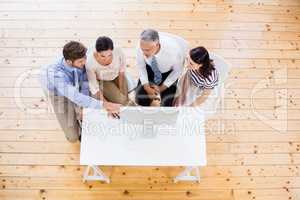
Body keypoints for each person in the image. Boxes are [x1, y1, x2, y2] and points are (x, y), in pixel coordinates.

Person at [40, 41, 121, 143]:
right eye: (80, 61)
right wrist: (104, 105)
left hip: (77, 86)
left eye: (85, 59)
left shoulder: (81, 62)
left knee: (90, 109)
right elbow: (75, 96)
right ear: (69, 62)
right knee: (72, 137)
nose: (84, 63)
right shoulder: (56, 74)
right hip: (59, 94)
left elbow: (85, 83)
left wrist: (83, 109)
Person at [135, 29, 188, 106]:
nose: (144, 53)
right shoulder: (142, 46)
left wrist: (161, 88)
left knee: (168, 104)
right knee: (140, 100)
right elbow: (141, 67)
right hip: (150, 68)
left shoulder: (174, 53)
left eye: (147, 50)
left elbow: (177, 72)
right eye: (142, 49)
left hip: (168, 72)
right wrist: (147, 87)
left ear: (157, 45)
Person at [86, 36, 135, 106]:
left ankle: (128, 104)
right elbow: (94, 87)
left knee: (125, 98)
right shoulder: (90, 62)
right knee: (122, 101)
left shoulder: (118, 51)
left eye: (109, 55)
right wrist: (106, 104)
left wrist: (121, 90)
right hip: (103, 81)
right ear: (97, 52)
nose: (106, 59)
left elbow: (121, 71)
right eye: (102, 56)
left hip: (117, 76)